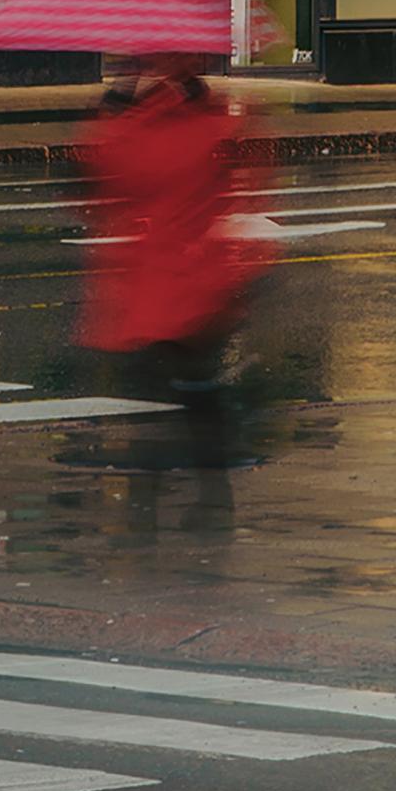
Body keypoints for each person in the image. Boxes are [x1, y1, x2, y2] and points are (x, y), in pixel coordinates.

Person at [75, 58, 266, 514]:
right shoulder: (210, 126)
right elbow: (240, 181)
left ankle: (145, 505)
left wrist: (111, 109)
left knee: (148, 395)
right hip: (201, 284)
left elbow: (99, 181)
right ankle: (214, 500)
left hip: (148, 288)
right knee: (199, 393)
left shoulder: (137, 131)